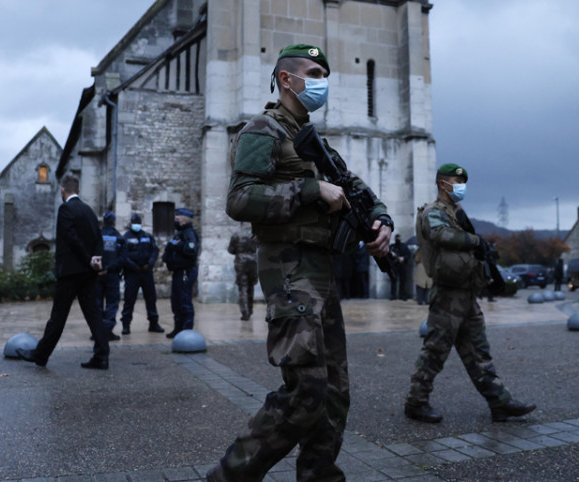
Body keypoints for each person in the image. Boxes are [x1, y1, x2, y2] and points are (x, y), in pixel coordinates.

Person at [209, 43, 393, 482]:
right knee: (306, 390)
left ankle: (319, 475)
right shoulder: (262, 130)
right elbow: (238, 199)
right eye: (313, 71)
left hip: (320, 270)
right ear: (286, 79)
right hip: (289, 268)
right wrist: (309, 192)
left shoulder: (315, 143)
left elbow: (355, 187)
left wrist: (381, 219)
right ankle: (228, 477)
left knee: (334, 391)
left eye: (325, 72)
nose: (322, 80)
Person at [404, 162, 535, 425]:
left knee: (478, 351)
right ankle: (416, 402)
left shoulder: (456, 213)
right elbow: (439, 234)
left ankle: (499, 402)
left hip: (466, 293)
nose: (461, 187)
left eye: (463, 183)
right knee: (435, 351)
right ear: (443, 184)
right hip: (447, 295)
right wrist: (476, 241)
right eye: (456, 182)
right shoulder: (433, 212)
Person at [15, 174, 109, 369]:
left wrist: (86, 260)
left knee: (58, 316)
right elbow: (99, 239)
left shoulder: (66, 209)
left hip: (70, 272)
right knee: (94, 314)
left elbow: (72, 238)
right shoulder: (89, 211)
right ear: (79, 190)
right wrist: (95, 260)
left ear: (62, 190)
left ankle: (40, 355)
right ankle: (102, 356)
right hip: (88, 274)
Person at [119, 213, 164, 335]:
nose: (136, 225)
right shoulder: (125, 238)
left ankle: (153, 323)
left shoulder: (147, 236)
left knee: (151, 298)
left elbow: (154, 251)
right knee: (129, 300)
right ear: (131, 223)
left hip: (146, 272)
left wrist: (149, 264)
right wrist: (133, 266)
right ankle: (126, 325)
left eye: (138, 222)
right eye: (134, 222)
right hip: (132, 273)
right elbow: (123, 255)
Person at [162, 208, 200, 337]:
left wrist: (177, 246)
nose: (175, 221)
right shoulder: (179, 234)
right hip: (177, 272)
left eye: (177, 219)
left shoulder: (189, 233)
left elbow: (190, 251)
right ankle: (178, 329)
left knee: (185, 302)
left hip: (186, 272)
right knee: (176, 302)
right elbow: (169, 249)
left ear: (184, 220)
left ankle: (187, 331)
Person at [96, 210, 124, 340]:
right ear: (114, 221)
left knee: (97, 303)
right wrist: (109, 268)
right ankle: (108, 330)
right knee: (112, 302)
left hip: (97, 274)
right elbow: (122, 258)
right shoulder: (118, 236)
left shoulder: (97, 235)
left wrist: (99, 268)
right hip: (112, 274)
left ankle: (97, 331)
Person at [227, 223, 258, 320]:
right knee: (251, 286)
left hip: (241, 263)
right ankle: (250, 309)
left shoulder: (236, 234)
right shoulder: (256, 234)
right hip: (254, 261)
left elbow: (231, 250)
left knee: (243, 287)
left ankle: (245, 312)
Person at [389, 234, 411, 300]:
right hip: (394, 266)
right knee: (393, 281)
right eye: (396, 238)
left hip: (402, 266)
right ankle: (393, 296)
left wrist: (403, 258)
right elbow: (387, 254)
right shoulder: (392, 247)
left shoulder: (404, 246)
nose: (397, 239)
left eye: (398, 238)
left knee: (403, 282)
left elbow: (408, 255)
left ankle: (402, 295)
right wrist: (391, 254)